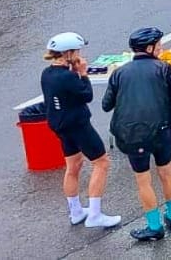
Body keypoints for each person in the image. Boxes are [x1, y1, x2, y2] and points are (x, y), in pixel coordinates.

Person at [101, 27, 171, 242]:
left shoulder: (119, 73)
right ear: (149, 48)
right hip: (161, 130)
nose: (161, 47)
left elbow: (106, 105)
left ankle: (154, 226)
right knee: (166, 172)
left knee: (143, 179)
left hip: (132, 135)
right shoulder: (165, 69)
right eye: (159, 44)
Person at [40, 32, 120, 229]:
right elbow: (87, 95)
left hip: (60, 125)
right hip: (78, 125)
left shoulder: (47, 73)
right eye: (77, 51)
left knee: (73, 165)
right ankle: (94, 214)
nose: (79, 54)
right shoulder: (67, 77)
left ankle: (75, 211)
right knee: (101, 163)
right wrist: (83, 73)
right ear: (68, 53)